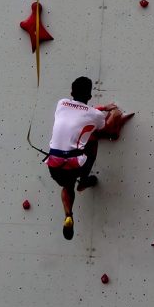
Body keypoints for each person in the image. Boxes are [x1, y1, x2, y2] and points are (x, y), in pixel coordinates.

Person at [45, 77, 117, 240]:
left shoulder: (61, 103)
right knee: (92, 139)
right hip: (74, 164)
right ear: (90, 96)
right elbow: (105, 125)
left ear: (71, 92)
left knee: (67, 186)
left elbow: (80, 112)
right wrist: (113, 112)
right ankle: (84, 178)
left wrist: (100, 108)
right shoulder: (95, 114)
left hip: (54, 163)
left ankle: (68, 215)